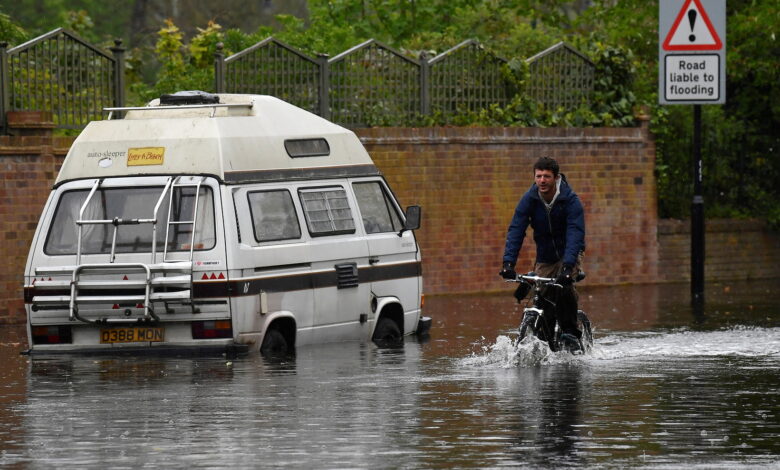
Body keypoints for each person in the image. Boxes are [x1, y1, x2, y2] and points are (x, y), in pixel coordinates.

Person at [499, 156, 585, 350]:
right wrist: (508, 264)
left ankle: (570, 332)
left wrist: (568, 266)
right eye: (538, 176)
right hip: (545, 255)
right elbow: (516, 229)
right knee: (542, 292)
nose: (542, 181)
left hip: (569, 252)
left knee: (563, 287)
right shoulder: (529, 199)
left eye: (546, 176)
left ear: (556, 178)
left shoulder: (570, 200)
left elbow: (575, 233)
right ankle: (545, 337)